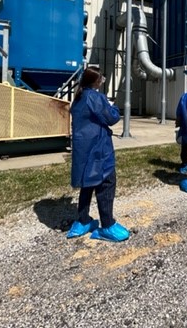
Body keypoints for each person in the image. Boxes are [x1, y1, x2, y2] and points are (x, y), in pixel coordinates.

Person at [67, 66, 130, 242]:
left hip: (84, 149)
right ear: (96, 81)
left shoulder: (78, 98)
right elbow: (112, 118)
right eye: (101, 78)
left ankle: (83, 220)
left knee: (88, 183)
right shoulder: (96, 98)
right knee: (106, 184)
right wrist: (114, 107)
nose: (102, 80)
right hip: (99, 149)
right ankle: (107, 226)